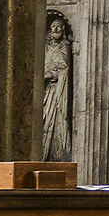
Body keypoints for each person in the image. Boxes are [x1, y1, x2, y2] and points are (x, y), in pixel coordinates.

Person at [42, 11, 73, 163]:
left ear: (63, 30)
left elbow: (64, 68)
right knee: (44, 121)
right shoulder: (46, 48)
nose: (55, 30)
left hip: (57, 91)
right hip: (46, 91)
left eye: (58, 27)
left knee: (56, 121)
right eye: (52, 27)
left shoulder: (64, 48)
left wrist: (51, 75)